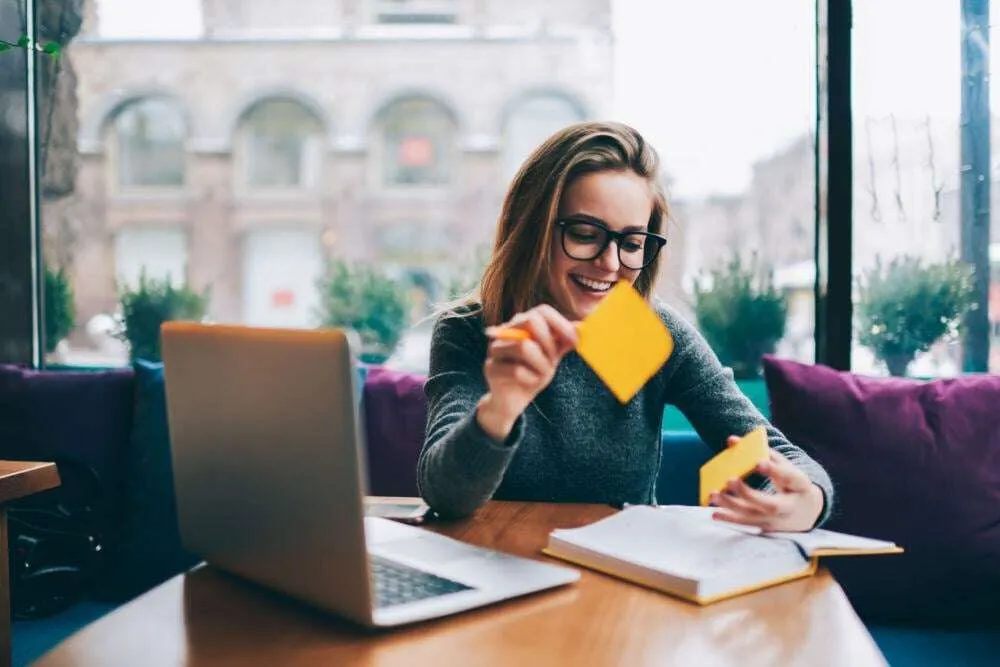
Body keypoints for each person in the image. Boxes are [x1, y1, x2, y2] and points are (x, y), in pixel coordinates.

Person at [417, 121, 833, 532]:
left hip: (620, 579)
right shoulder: (472, 331)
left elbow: (772, 452)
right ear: (532, 230)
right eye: (584, 234)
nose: (610, 263)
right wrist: (501, 406)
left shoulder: (646, 332)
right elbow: (446, 495)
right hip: (498, 570)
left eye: (632, 243)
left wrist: (807, 500)